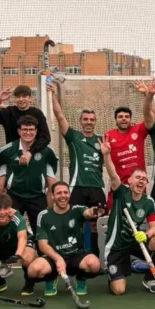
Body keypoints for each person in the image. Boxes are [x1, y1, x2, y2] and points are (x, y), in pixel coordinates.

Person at [101, 138, 155, 296]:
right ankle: (116, 272)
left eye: (144, 179)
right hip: (115, 246)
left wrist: (147, 234)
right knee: (119, 290)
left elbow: (153, 227)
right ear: (129, 180)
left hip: (134, 242)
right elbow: (113, 175)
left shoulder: (148, 202)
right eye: (138, 178)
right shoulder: (121, 192)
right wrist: (107, 155)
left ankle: (149, 278)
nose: (141, 181)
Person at [47, 84, 105, 251]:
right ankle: (73, 253)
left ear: (95, 122)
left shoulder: (102, 140)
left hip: (96, 187)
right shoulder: (73, 137)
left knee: (96, 223)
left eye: (91, 120)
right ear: (80, 121)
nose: (88, 122)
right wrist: (52, 95)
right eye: (85, 119)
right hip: (77, 187)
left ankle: (96, 255)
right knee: (74, 222)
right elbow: (59, 117)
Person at [26, 181, 101, 297]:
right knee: (32, 271)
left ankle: (80, 278)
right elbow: (42, 245)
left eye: (66, 192)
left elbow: (88, 212)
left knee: (94, 264)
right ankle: (51, 278)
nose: (63, 196)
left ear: (69, 194)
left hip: (76, 255)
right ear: (52, 196)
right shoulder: (44, 215)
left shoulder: (77, 209)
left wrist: (95, 210)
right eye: (59, 193)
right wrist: (58, 258)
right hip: (54, 257)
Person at [0, 115, 58, 231]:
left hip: (37, 196)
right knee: (10, 230)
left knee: (41, 231)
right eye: (24, 129)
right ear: (19, 131)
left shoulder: (47, 151)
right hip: (14, 196)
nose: (28, 133)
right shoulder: (7, 150)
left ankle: (39, 248)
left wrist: (49, 208)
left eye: (31, 130)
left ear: (36, 131)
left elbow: (52, 180)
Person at [104, 79, 155, 189]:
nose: (124, 119)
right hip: (119, 186)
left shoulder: (138, 130)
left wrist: (147, 94)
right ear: (116, 120)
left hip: (139, 185)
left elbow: (152, 115)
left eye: (127, 117)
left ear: (130, 119)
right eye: (120, 117)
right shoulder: (108, 135)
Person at [0, 84, 51, 151]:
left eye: (24, 96)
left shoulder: (37, 113)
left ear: (30, 98)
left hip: (34, 152)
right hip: (13, 153)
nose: (21, 99)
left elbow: (46, 137)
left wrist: (31, 151)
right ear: (14, 98)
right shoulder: (8, 112)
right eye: (18, 97)